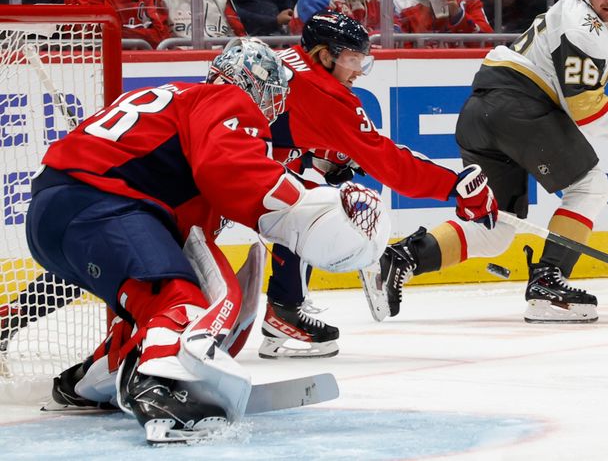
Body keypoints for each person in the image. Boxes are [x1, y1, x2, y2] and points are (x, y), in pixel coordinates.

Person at [25, 38, 390, 442]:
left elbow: (201, 202)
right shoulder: (226, 101)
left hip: (59, 213)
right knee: (181, 299)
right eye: (271, 92)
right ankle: (161, 391)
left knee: (149, 308)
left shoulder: (178, 99)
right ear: (250, 83)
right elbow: (232, 173)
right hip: (101, 203)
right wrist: (307, 207)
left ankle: (86, 383)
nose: (274, 106)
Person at [362, 0, 608, 324]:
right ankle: (549, 283)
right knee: (591, 186)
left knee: (496, 226)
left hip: (484, 109)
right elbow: (584, 108)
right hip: (519, 108)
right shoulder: (582, 29)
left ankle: (399, 259)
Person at [257, 10, 499, 357]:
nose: (358, 70)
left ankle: (282, 307)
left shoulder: (291, 62)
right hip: (219, 170)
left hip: (202, 154)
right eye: (352, 59)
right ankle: (283, 309)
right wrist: (453, 186)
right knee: (306, 208)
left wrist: (326, 157)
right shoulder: (327, 95)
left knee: (308, 181)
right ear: (325, 56)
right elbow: (389, 161)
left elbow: (277, 133)